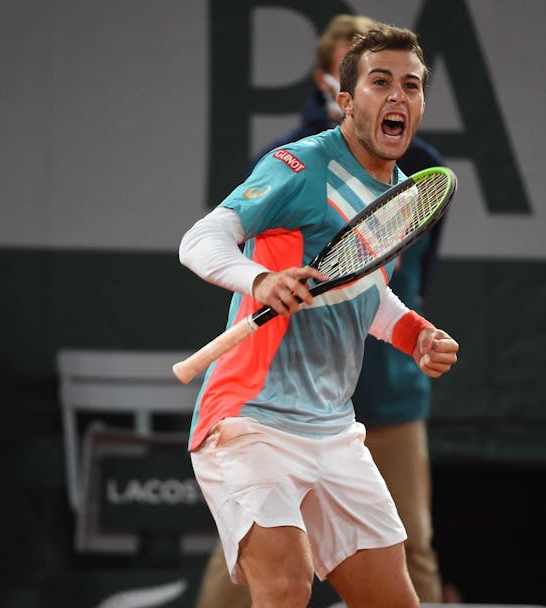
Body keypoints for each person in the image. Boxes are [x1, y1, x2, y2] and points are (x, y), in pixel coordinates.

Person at [179, 23, 459, 608]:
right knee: (285, 587)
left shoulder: (399, 196)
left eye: (411, 86)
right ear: (347, 99)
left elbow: (363, 291)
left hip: (333, 430)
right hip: (248, 420)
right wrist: (260, 279)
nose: (397, 97)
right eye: (380, 82)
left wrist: (414, 335)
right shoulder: (298, 166)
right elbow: (202, 240)